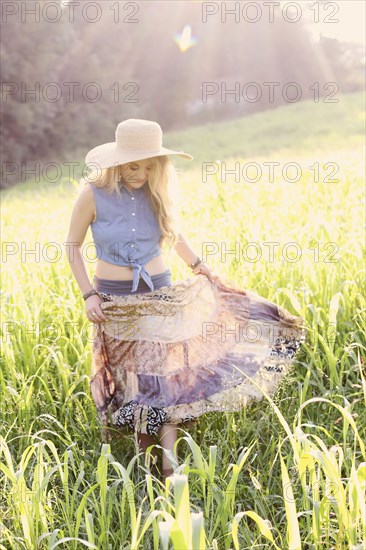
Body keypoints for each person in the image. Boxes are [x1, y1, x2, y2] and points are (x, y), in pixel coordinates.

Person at [65, 118, 306, 482]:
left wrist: (200, 266)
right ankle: (149, 465)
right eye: (134, 166)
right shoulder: (92, 195)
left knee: (161, 379)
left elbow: (172, 234)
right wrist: (88, 295)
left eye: (150, 166)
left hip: (160, 294)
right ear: (117, 162)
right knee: (134, 383)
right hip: (114, 303)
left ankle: (169, 467)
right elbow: (72, 246)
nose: (141, 174)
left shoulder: (154, 191)